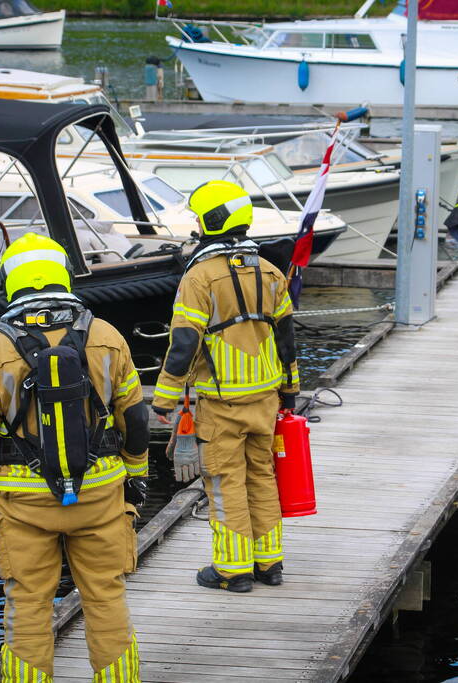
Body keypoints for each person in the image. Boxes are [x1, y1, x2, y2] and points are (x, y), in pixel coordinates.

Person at [0, 232, 149, 682]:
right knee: (106, 597)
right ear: (63, 276)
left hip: (24, 503)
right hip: (100, 493)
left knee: (27, 603)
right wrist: (135, 480)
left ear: (10, 282)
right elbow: (136, 421)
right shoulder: (106, 336)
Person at [151, 180, 300, 593]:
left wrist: (164, 398)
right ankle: (270, 564)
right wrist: (290, 390)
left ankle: (233, 571)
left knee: (224, 482)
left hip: (222, 403)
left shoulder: (199, 277)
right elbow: (287, 340)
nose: (197, 226)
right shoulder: (271, 272)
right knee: (262, 476)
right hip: (266, 397)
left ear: (214, 220)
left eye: (200, 218)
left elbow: (184, 343)